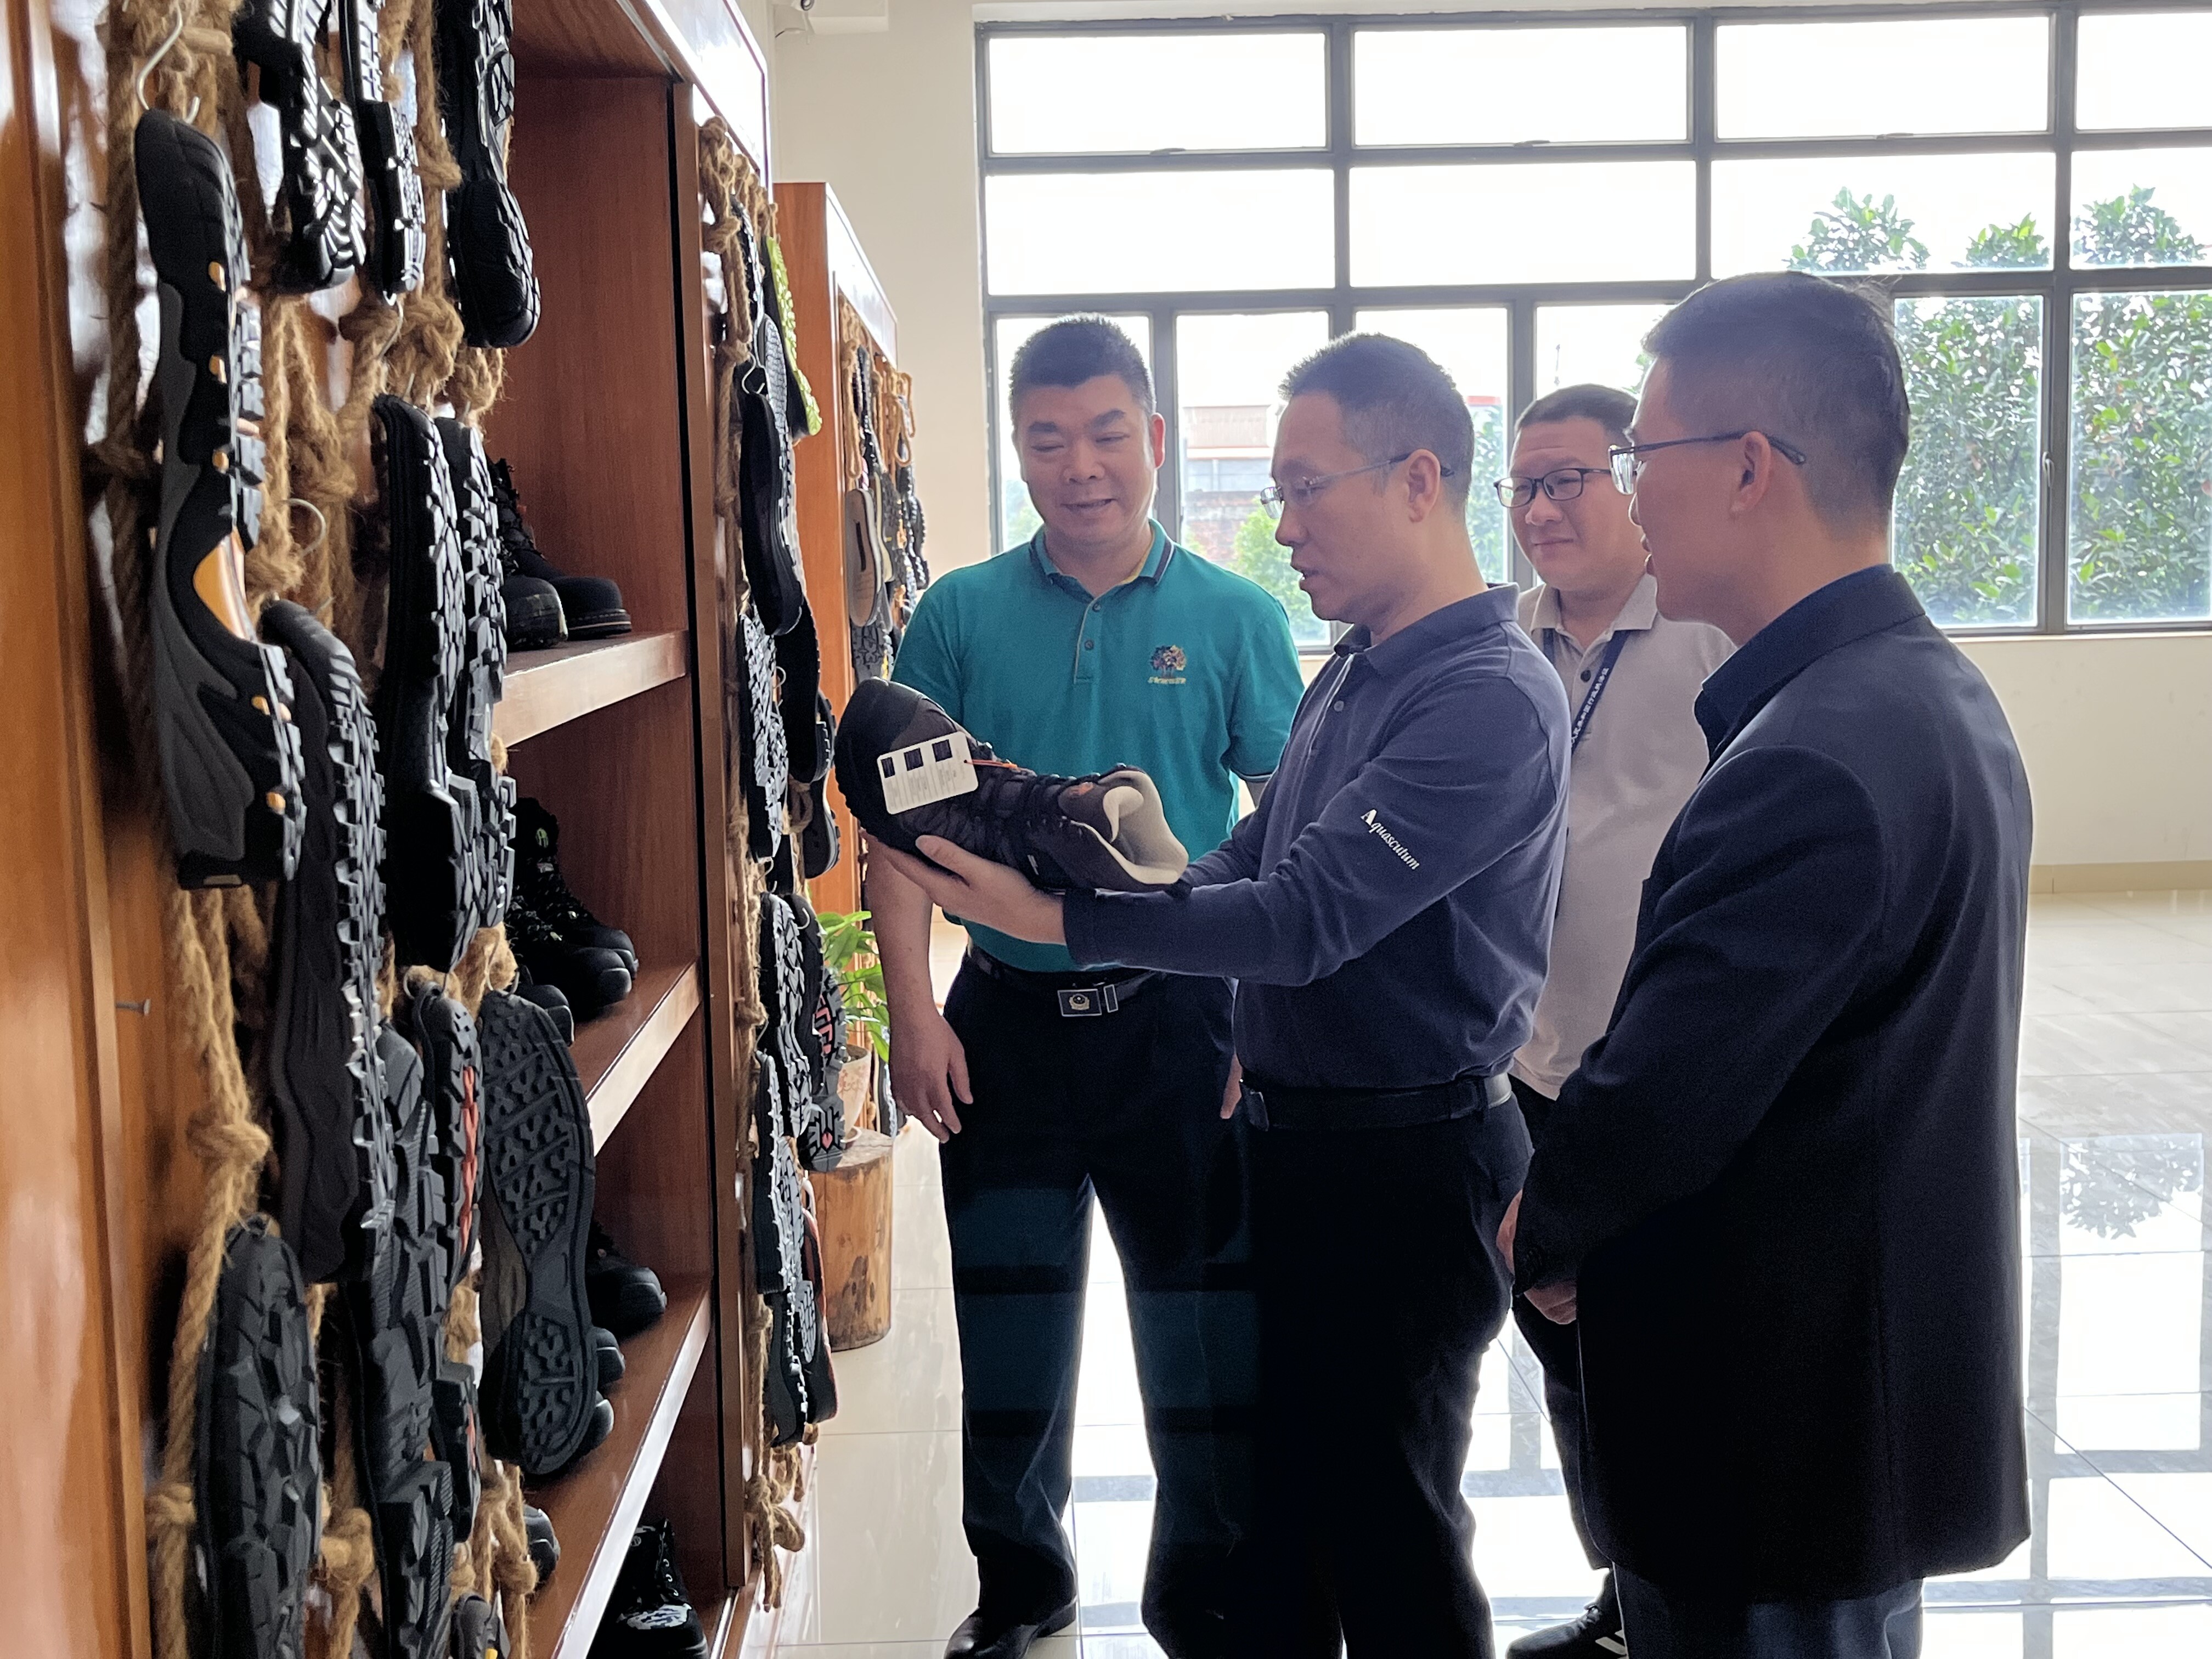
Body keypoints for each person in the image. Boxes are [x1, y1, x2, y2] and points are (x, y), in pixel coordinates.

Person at [877, 332, 1571, 1659]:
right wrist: (1103, 893)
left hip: (1403, 1159)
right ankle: (1057, 1587)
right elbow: (1260, 850)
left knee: (1390, 1528)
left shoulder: (1483, 697)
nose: (1285, 524)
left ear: (1417, 481)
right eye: (1279, 493)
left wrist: (1066, 917)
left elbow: (1306, 917)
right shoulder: (1361, 665)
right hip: (1287, 1133)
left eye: (1306, 490)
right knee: (1278, 1501)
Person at [1501, 272, 2033, 1659]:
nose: (1631, 491)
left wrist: (1545, 1227)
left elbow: (1670, 1093)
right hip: (1836, 1398)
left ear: (1748, 469)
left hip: (1778, 1427)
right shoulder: (1913, 695)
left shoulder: (1811, 757)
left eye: (1642, 454)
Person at [866, 315, 1305, 1659]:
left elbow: (1286, 831)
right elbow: (900, 834)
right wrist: (916, 1014)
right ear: (1019, 450)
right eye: (1048, 440)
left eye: (1109, 434)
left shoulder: (1236, 617)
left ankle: (1205, 1593)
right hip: (1004, 1025)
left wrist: (1263, 1020)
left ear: (1155, 439)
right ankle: (1023, 1586)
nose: (1082, 467)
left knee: (1202, 1333)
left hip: (1180, 1027)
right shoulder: (957, 614)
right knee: (1010, 1329)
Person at [1492, 385, 1732, 1659]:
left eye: (1569, 479)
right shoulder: (1504, 641)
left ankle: (1683, 1599)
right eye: (1522, 486)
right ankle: (1625, 1599)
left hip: (1656, 1072)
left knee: (1661, 1363)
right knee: (1563, 1352)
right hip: (1525, 1064)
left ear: (1632, 482)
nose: (1541, 509)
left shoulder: (1707, 637)